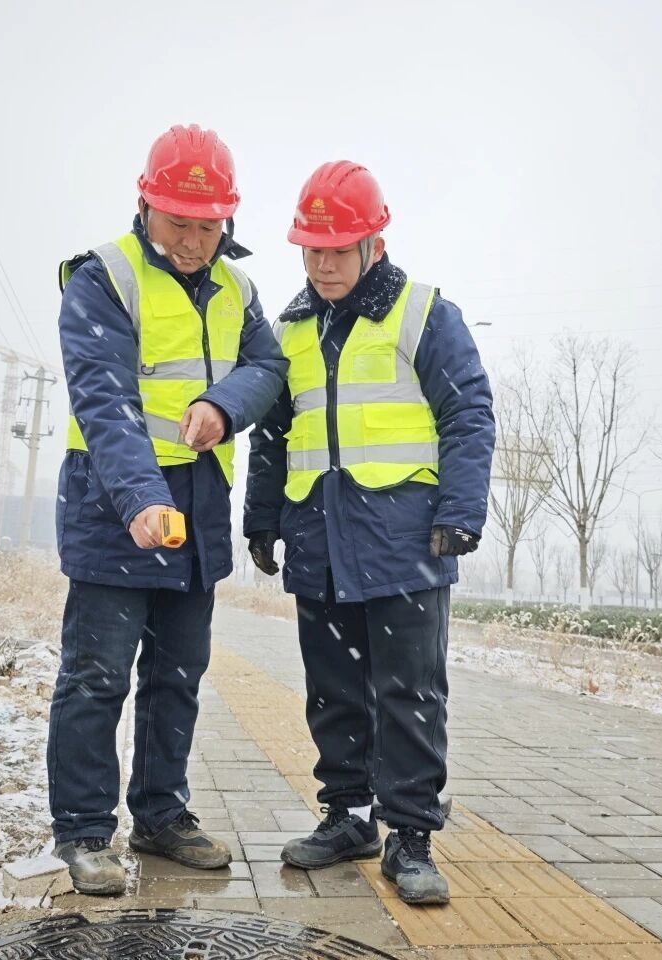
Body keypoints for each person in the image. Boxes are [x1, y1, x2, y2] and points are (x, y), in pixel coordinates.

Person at [243, 161, 494, 904]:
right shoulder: (288, 330)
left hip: (406, 544)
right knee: (333, 690)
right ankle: (348, 817)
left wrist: (459, 512)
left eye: (337, 249)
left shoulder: (424, 315)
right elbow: (273, 435)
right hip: (318, 541)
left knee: (409, 693)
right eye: (311, 250)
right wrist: (261, 518)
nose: (322, 265)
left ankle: (410, 836)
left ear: (373, 245)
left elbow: (469, 414)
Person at [49, 125, 286, 895]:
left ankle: (160, 815)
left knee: (178, 674)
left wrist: (225, 404)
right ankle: (86, 832)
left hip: (199, 502)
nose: (191, 240)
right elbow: (105, 402)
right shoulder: (101, 279)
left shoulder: (239, 288)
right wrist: (141, 500)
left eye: (206, 225)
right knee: (96, 676)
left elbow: (269, 367)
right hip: (112, 499)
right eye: (177, 222)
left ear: (229, 219)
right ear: (145, 204)